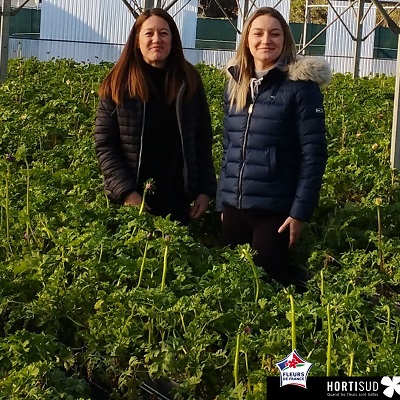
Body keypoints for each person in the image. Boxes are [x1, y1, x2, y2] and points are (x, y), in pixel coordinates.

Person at [216, 7, 331, 290]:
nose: (266, 39)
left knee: (265, 289)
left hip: (275, 213)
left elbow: (313, 156)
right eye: (258, 33)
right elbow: (228, 147)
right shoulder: (235, 85)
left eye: (274, 33)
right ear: (247, 40)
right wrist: (223, 200)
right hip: (234, 209)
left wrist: (300, 212)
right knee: (230, 289)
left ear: (285, 40)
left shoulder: (301, 88)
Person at [94, 8, 216, 225]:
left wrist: (204, 191)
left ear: (173, 39)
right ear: (137, 40)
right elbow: (105, 144)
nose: (156, 40)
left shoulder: (189, 81)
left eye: (163, 33)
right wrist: (126, 192)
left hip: (178, 201)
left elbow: (202, 140)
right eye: (149, 33)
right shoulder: (118, 83)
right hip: (131, 202)